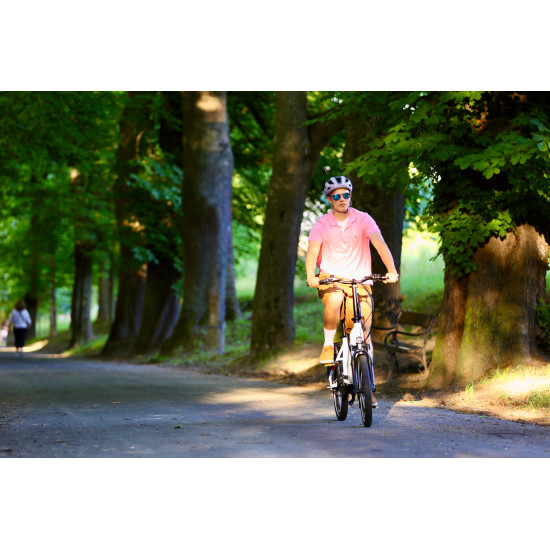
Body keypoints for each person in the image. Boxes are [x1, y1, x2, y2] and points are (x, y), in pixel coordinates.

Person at [306, 176, 399, 407]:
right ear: (329, 199)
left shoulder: (363, 219)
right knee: (336, 298)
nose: (342, 199)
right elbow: (312, 252)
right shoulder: (322, 224)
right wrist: (310, 275)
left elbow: (380, 244)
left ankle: (369, 388)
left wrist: (391, 271)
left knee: (363, 332)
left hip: (359, 280)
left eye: (345, 194)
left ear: (350, 196)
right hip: (331, 278)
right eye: (336, 196)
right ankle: (329, 344)